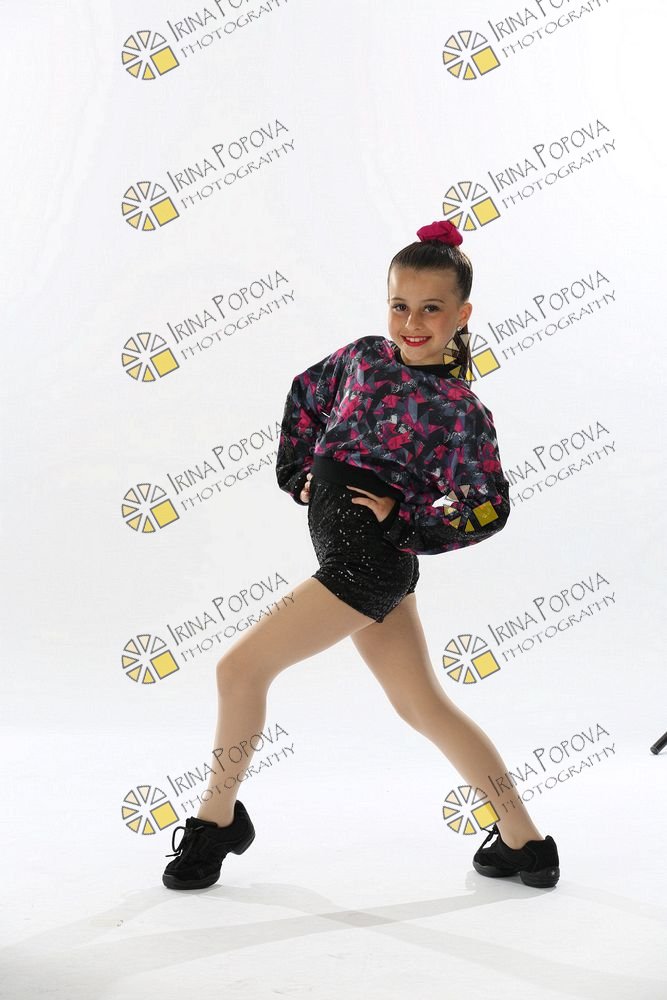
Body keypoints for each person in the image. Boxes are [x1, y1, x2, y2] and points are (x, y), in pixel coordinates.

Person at [161, 220, 560, 891]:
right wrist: (300, 473)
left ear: (462, 315)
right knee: (423, 707)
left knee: (239, 671)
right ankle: (527, 843)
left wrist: (405, 520)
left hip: (366, 566)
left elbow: (487, 505)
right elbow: (305, 393)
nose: (412, 323)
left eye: (431, 309)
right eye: (400, 305)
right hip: (366, 566)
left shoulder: (458, 409)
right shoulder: (363, 358)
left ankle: (215, 821)